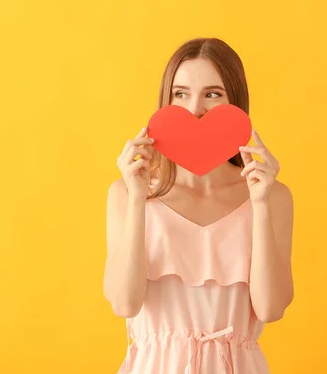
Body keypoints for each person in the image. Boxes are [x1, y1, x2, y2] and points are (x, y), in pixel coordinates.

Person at [102, 37, 294, 374]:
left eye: (213, 93)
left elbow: (271, 308)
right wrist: (136, 198)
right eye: (181, 93)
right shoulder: (126, 193)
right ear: (167, 101)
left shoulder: (272, 196)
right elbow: (124, 302)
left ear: (237, 102)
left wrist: (260, 204)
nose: (195, 109)